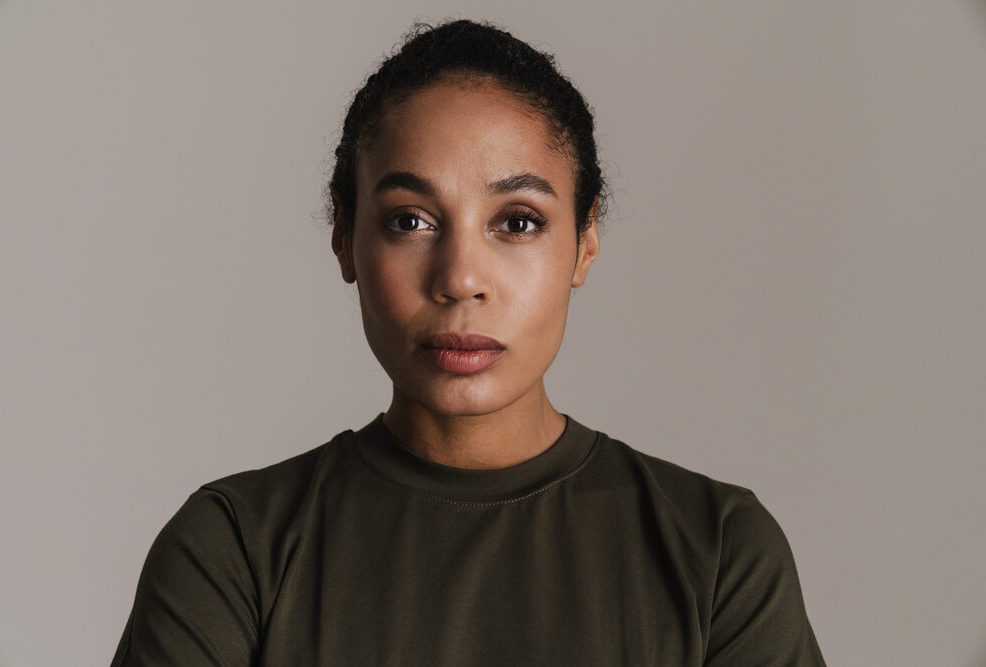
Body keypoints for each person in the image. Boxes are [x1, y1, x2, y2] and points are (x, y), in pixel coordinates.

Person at [112, 19, 825, 666]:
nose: (459, 279)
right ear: (344, 236)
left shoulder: (719, 552)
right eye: (410, 220)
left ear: (585, 241)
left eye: (517, 222)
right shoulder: (233, 550)